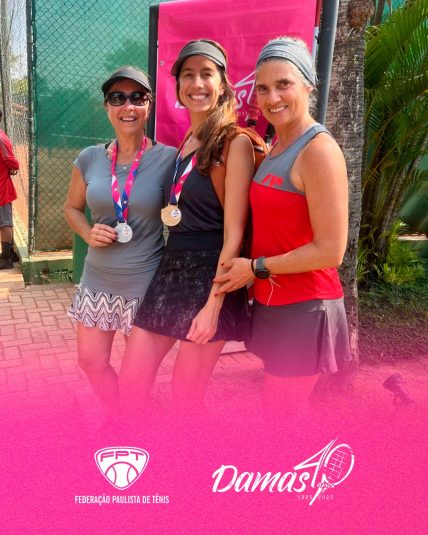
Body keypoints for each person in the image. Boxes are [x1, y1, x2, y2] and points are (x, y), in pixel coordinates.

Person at [214, 37, 352, 418]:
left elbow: (331, 251)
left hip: (306, 306)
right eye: (262, 88)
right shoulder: (275, 145)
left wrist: (255, 268)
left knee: (280, 417)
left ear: (307, 85)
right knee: (280, 413)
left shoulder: (318, 151)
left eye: (283, 84)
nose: (272, 97)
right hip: (275, 301)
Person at [120, 39, 255, 415]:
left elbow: (235, 233)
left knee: (185, 400)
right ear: (178, 85)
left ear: (223, 84)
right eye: (188, 75)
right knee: (131, 383)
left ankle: (191, 454)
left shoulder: (235, 143)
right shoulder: (187, 141)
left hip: (212, 277)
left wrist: (213, 305)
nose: (197, 83)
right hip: (172, 272)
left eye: (206, 74)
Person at [64, 66, 176, 412]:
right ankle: (118, 417)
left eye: (137, 97)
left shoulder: (168, 159)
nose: (128, 106)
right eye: (117, 98)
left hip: (145, 285)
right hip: (97, 282)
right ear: (107, 107)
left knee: (135, 380)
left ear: (149, 105)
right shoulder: (89, 158)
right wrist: (87, 232)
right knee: (90, 362)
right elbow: (71, 208)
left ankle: (132, 425)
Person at [0, 109, 19, 270]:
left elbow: (11, 161)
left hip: (1, 188)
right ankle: (7, 253)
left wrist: (12, 167)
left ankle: (6, 258)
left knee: (4, 222)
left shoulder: (0, 138)